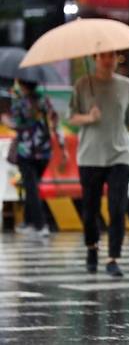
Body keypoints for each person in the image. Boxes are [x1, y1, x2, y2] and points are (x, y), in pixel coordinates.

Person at [69, 51, 129, 277]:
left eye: (111, 56)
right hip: (90, 157)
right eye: (102, 56)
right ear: (94, 59)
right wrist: (88, 118)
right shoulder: (83, 84)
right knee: (90, 211)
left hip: (119, 156)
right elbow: (71, 117)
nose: (107, 60)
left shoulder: (127, 86)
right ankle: (92, 247)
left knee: (118, 209)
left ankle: (113, 258)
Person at [11, 79, 67, 238]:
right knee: (32, 187)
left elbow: (16, 124)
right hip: (44, 152)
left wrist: (5, 120)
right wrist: (63, 147)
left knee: (32, 188)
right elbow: (56, 123)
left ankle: (41, 224)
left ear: (22, 85)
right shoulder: (45, 101)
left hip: (26, 152)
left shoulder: (20, 103)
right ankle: (28, 222)